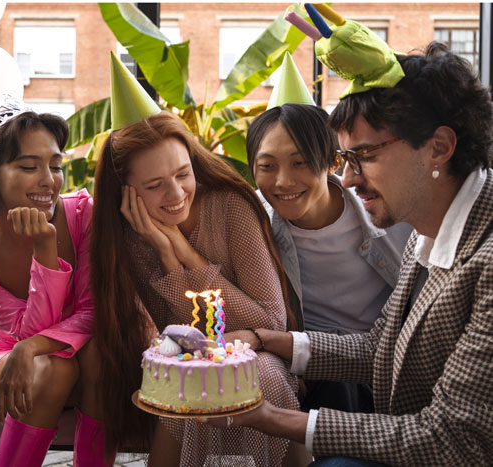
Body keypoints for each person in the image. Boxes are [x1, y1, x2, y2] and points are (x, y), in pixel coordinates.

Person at [207, 42, 493, 466]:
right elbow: (383, 348)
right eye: (346, 158)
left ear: (438, 147)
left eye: (366, 155)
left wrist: (270, 417)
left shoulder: (483, 257)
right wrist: (268, 340)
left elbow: (452, 438)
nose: (348, 178)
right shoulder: (426, 234)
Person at [91, 54, 305, 466]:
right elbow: (190, 340)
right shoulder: (129, 241)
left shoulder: (230, 207)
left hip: (265, 359)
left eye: (183, 174)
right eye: (155, 185)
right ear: (126, 191)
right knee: (193, 384)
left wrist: (183, 252)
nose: (175, 195)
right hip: (194, 370)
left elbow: (271, 322)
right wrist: (166, 258)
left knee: (251, 378)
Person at [0, 95, 103, 467]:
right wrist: (45, 249)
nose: (48, 181)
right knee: (52, 368)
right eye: (29, 166)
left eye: (56, 166)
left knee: (100, 357)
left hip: (75, 359)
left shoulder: (84, 216)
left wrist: (29, 348)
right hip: (3, 357)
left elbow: (95, 313)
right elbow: (31, 329)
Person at [246, 102, 411, 413]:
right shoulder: (253, 220)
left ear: (333, 162)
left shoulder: (388, 211)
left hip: (381, 360)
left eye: (300, 163)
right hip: (308, 362)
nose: (282, 181)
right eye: (267, 166)